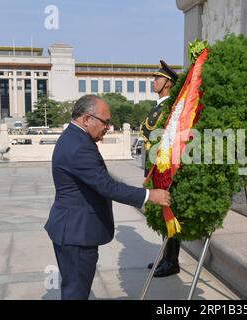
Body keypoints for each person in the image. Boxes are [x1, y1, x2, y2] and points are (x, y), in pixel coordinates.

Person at [44, 95, 170, 300]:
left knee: (76, 289)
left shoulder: (76, 138)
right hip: (76, 233)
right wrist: (149, 195)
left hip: (73, 228)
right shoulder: (78, 146)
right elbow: (107, 186)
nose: (108, 127)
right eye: (105, 122)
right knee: (75, 292)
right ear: (87, 119)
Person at [140, 60, 181, 278]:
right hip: (154, 169)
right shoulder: (158, 108)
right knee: (162, 217)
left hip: (166, 171)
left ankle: (172, 261)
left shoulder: (170, 109)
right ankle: (165, 258)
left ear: (167, 83)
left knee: (169, 216)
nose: (153, 81)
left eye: (157, 78)